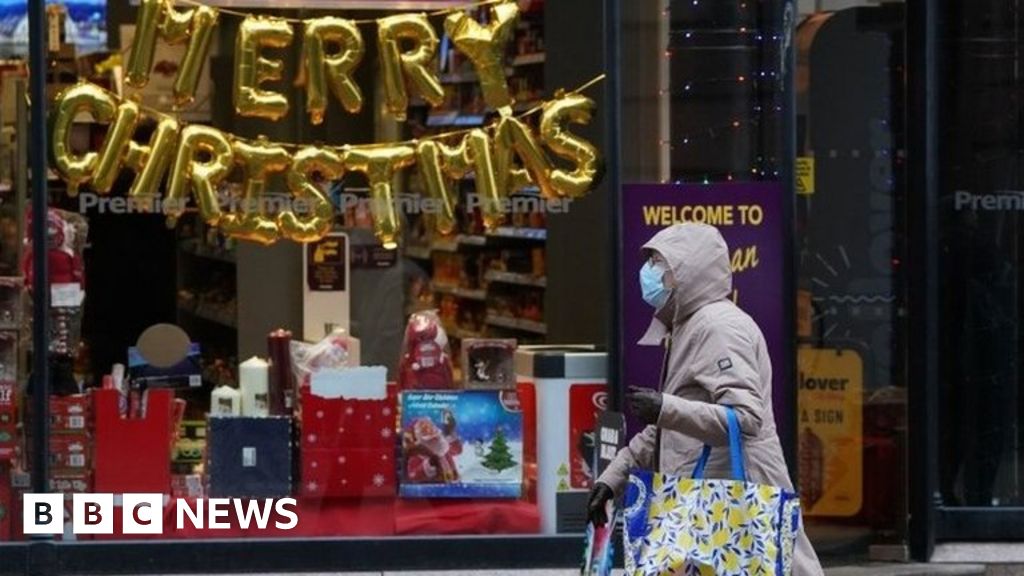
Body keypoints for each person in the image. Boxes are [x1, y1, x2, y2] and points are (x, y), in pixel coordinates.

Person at [587, 223, 823, 576]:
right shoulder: (687, 325)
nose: (648, 272)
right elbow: (664, 430)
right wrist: (612, 479)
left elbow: (744, 418)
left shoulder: (717, 327)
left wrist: (665, 407)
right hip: (705, 507)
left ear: (686, 269)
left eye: (657, 262)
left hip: (729, 499)